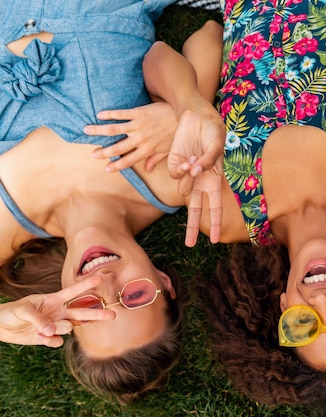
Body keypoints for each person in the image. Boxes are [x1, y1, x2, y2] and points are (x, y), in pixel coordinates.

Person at [98, 0, 326, 407]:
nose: (323, 302)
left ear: (284, 307)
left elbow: (175, 49)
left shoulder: (224, 212)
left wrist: (189, 107)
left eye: (304, 324)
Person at [0, 0, 188, 404]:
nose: (103, 282)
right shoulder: (170, 180)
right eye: (134, 296)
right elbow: (207, 38)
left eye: (88, 307)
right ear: (163, 283)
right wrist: (185, 111)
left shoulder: (6, 226)